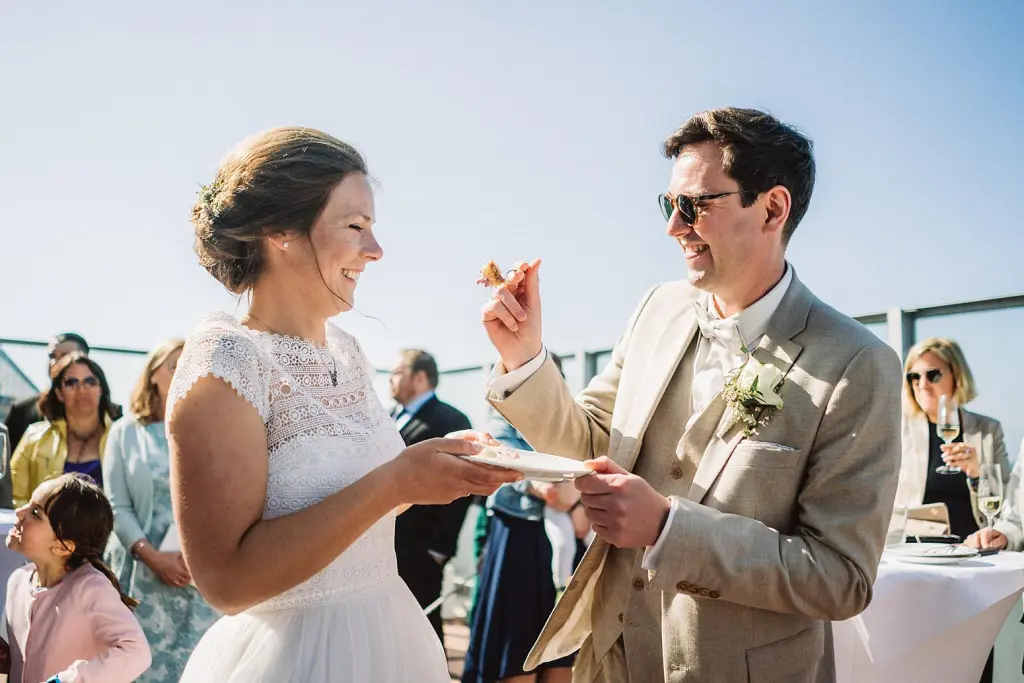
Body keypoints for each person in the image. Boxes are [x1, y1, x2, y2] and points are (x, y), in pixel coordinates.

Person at [480, 107, 902, 682]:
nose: (673, 227)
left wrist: (667, 530)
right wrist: (525, 356)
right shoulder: (657, 308)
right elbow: (589, 441)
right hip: (613, 662)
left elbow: (840, 577)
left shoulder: (857, 363)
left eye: (696, 205)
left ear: (772, 208)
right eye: (668, 204)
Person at [167, 127, 520, 682]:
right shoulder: (227, 358)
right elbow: (225, 584)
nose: (375, 251)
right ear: (280, 230)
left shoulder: (350, 353)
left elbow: (352, 502)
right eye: (355, 227)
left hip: (391, 638)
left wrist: (438, 466)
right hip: (295, 660)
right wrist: (398, 482)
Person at [464, 353, 586, 683]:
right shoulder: (502, 420)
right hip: (516, 540)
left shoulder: (571, 420)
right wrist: (550, 486)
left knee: (561, 655)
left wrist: (573, 504)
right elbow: (502, 462)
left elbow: (578, 474)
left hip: (561, 545)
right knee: (514, 653)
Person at [104, 339, 218, 683]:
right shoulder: (126, 432)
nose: (184, 371)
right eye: (174, 364)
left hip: (199, 576)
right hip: (142, 578)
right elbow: (117, 506)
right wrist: (152, 556)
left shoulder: (212, 431)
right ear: (153, 374)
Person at [4, 473, 151, 683]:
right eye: (28, 503)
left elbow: (137, 652)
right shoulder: (18, 581)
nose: (19, 512)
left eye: (35, 513)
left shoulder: (91, 589)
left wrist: (68, 680)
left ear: (63, 546)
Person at [390, 348, 473, 648]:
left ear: (421, 377)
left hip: (420, 552)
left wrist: (438, 551)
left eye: (398, 372)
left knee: (422, 637)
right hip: (381, 549)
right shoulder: (388, 418)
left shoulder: (450, 421)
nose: (390, 379)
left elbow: (463, 487)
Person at [894, 338, 1010, 541]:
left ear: (957, 376)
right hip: (912, 550)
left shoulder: (987, 430)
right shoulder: (896, 430)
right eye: (914, 377)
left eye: (933, 374)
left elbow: (1006, 505)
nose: (923, 384)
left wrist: (976, 475)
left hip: (971, 549)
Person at [10, 353, 118, 507]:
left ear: (101, 389)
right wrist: (40, 523)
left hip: (110, 530)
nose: (82, 389)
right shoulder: (34, 437)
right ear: (59, 393)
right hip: (44, 529)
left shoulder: (121, 437)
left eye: (90, 381)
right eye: (71, 382)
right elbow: (14, 496)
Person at [2, 333, 95, 508]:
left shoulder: (113, 419)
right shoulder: (22, 412)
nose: (56, 361)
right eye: (52, 356)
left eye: (65, 355)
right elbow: (8, 476)